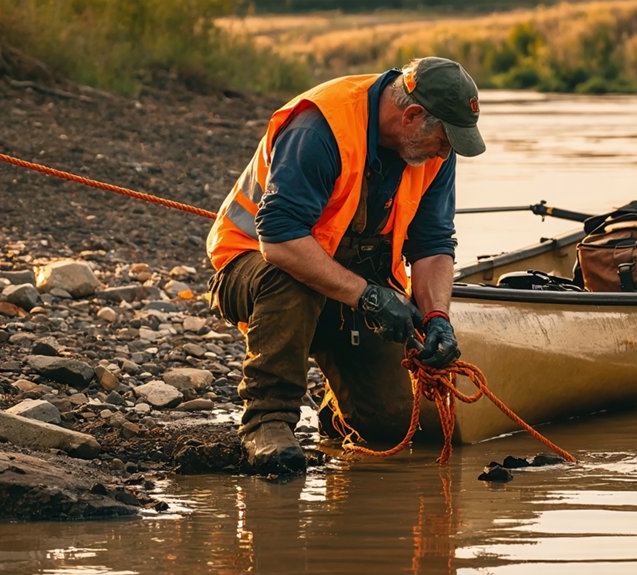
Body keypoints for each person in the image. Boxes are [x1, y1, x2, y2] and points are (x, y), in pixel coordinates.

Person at [205, 57, 486, 474]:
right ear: (411, 116)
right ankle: (267, 421)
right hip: (257, 270)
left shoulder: (435, 153)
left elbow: (433, 244)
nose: (447, 152)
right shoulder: (320, 128)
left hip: (351, 288)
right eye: (445, 140)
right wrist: (371, 298)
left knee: (390, 425)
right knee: (291, 279)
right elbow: (280, 240)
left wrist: (437, 317)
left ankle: (335, 414)